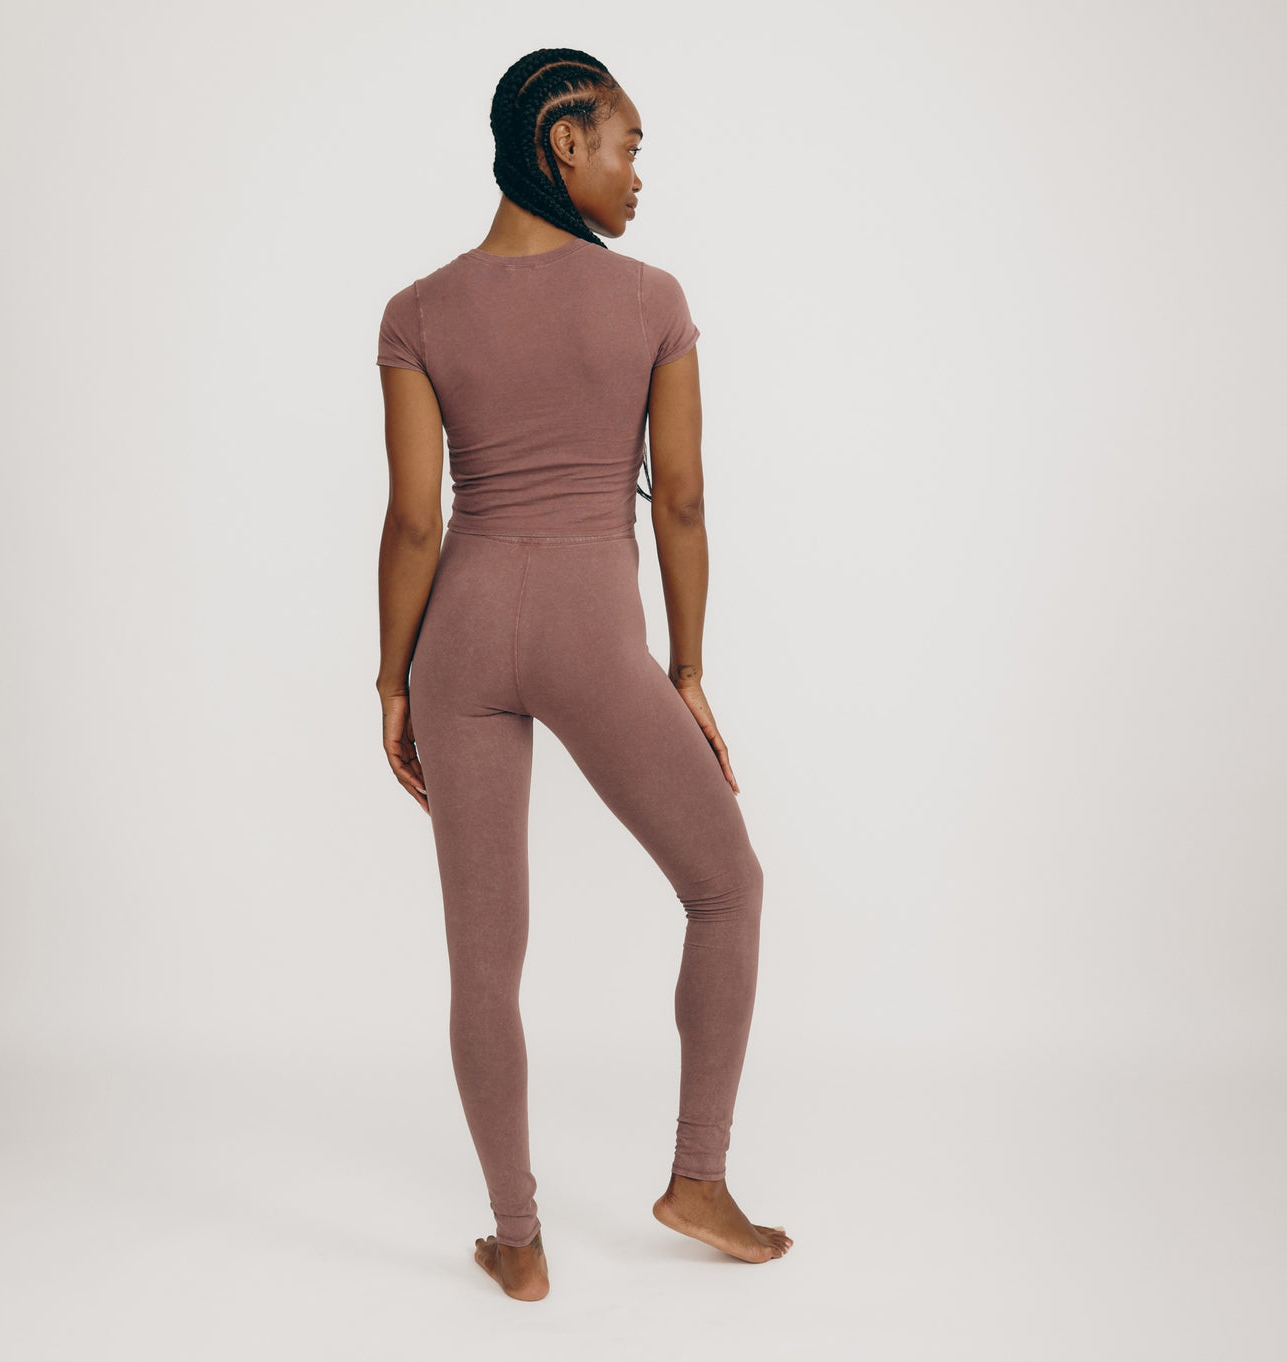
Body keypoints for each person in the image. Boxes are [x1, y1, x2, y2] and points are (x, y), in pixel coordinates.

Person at [374, 48, 792, 1301]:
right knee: (724, 888)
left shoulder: (416, 311)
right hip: (589, 631)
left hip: (458, 638)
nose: (637, 174)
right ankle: (696, 1179)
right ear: (565, 143)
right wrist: (687, 670)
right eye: (626, 145)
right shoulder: (650, 301)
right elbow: (684, 502)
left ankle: (516, 1241)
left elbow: (414, 523)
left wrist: (390, 682)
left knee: (481, 959)